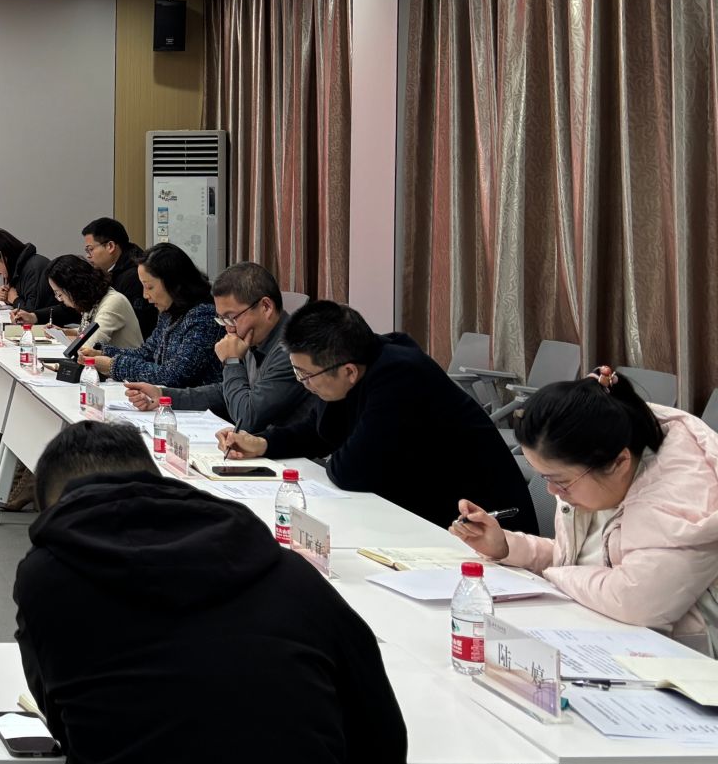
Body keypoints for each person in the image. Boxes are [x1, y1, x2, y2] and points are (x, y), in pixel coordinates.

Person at [13, 421, 404, 764]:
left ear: (54, 508)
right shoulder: (288, 572)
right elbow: (382, 756)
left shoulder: (47, 580)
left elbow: (67, 727)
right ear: (158, 480)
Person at [453, 367, 718, 651]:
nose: (552, 491)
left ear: (619, 463)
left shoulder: (682, 500)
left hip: (684, 661)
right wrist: (506, 546)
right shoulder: (604, 465)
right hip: (608, 638)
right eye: (545, 477)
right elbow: (577, 559)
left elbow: (634, 601)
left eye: (560, 481)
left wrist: (554, 576)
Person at [222, 302, 540, 534]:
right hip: (425, 513)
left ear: (348, 372)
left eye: (306, 375)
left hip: (484, 528)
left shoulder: (400, 376)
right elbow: (320, 432)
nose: (304, 384)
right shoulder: (362, 359)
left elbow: (351, 470)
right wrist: (263, 443)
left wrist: (335, 445)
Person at [122, 262, 312, 435]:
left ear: (266, 307)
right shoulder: (254, 337)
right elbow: (226, 393)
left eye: (232, 317)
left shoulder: (292, 350)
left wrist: (232, 362)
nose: (228, 329)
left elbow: (247, 419)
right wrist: (163, 396)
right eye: (223, 319)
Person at [80, 243, 220, 390]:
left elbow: (173, 375)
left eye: (149, 287)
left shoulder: (203, 316)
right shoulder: (169, 312)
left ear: (172, 282)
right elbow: (147, 352)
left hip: (196, 402)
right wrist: (104, 352)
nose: (145, 295)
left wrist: (113, 365)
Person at [44, 254, 142, 355]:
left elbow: (88, 348)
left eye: (59, 294)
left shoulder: (112, 303)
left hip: (126, 364)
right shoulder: (94, 300)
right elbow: (86, 331)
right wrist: (64, 332)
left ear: (74, 287)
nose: (60, 299)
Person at [81, 218, 156, 339]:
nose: (88, 256)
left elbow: (138, 326)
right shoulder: (114, 270)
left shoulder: (134, 276)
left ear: (110, 246)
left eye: (90, 249)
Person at [0, 229, 54, 322]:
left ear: (2, 255)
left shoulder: (33, 269)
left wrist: (14, 299)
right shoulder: (20, 269)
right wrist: (7, 298)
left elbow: (30, 316)